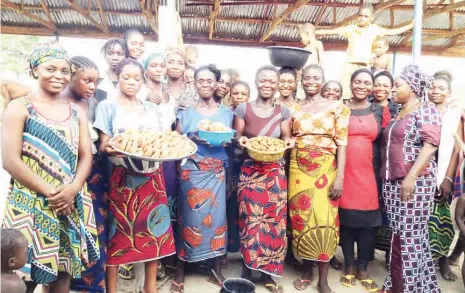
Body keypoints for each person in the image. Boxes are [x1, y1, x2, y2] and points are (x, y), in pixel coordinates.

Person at [1, 42, 99, 293]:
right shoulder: (20, 106)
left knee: (62, 271)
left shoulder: (76, 112)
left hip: (69, 200)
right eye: (50, 68)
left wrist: (74, 188)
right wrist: (54, 194)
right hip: (30, 201)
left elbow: (86, 156)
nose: (59, 75)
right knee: (24, 272)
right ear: (34, 70)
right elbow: (10, 160)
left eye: (65, 70)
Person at [94, 58, 175, 293]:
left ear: (143, 81)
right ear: (117, 78)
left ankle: (150, 288)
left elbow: (164, 140)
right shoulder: (107, 106)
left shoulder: (152, 108)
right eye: (126, 77)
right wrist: (113, 148)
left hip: (153, 178)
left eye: (137, 78)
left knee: (154, 232)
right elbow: (103, 144)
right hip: (123, 180)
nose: (132, 82)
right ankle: (112, 289)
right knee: (118, 236)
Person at [171, 65, 233, 293]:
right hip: (192, 171)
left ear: (217, 83)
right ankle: (181, 269)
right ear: (194, 84)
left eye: (210, 81)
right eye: (201, 81)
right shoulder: (185, 114)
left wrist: (223, 142)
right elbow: (177, 145)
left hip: (217, 172)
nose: (205, 85)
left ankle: (215, 267)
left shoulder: (227, 113)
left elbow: (230, 140)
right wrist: (193, 139)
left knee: (217, 220)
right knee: (189, 218)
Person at [380, 65, 441, 293]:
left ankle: (403, 287)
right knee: (404, 235)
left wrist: (411, 177)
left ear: (413, 88)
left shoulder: (426, 110)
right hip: (393, 182)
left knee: (408, 237)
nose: (392, 90)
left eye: (398, 85)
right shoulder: (399, 113)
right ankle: (416, 286)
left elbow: (431, 145)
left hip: (414, 184)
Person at [289, 64, 350, 293]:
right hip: (297, 167)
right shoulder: (294, 107)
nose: (311, 81)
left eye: (316, 77)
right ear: (301, 80)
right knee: (301, 218)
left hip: (326, 167)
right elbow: (290, 137)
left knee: (324, 219)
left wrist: (340, 178)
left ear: (323, 81)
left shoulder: (338, 107)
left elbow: (342, 144)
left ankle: (323, 279)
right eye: (307, 77)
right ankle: (307, 270)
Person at [234, 66, 294, 293]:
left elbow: (286, 135)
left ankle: (269, 272)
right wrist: (240, 141)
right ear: (256, 82)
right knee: (249, 220)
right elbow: (238, 135)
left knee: (274, 223)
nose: (267, 84)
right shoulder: (243, 108)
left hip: (274, 173)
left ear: (278, 84)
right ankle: (247, 268)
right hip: (250, 172)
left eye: (272, 81)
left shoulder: (283, 111)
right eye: (263, 80)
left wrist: (288, 142)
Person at [57, 56, 109, 293]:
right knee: (64, 231)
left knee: (94, 230)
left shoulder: (95, 102)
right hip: (62, 174)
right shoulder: (55, 101)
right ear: (71, 75)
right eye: (87, 80)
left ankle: (90, 286)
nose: (92, 86)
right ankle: (61, 284)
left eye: (95, 82)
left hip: (93, 177)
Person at [339, 69, 388, 292]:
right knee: (347, 222)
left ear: (371, 87)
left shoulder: (380, 111)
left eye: (367, 83)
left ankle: (362, 267)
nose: (362, 86)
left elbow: (386, 144)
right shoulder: (339, 109)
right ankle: (349, 265)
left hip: (369, 173)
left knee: (368, 224)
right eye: (357, 81)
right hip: (343, 172)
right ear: (350, 84)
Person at [316, 4, 413, 101]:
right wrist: (314, 32)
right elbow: (333, 31)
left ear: (371, 17)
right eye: (360, 15)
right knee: (345, 94)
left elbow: (392, 32)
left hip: (364, 67)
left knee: (362, 95)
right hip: (349, 65)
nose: (362, 18)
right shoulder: (351, 29)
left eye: (366, 16)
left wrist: (411, 25)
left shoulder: (374, 29)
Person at [427, 71, 463, 282]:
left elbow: (456, 150)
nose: (436, 91)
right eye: (433, 87)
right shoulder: (420, 110)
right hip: (422, 174)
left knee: (443, 222)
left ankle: (442, 261)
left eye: (441, 88)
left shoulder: (454, 115)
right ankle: (422, 259)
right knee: (422, 221)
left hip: (443, 175)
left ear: (449, 93)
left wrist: (448, 179)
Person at [225, 81, 251, 256]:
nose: (239, 97)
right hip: (229, 163)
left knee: (241, 204)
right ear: (230, 95)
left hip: (244, 162)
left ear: (249, 96)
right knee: (228, 203)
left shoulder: (250, 112)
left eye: (243, 94)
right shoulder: (226, 114)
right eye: (236, 93)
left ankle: (241, 245)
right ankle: (229, 245)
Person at [163, 46, 198, 112]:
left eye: (180, 63)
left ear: (185, 67)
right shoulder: (157, 90)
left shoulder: (193, 92)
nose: (175, 67)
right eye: (170, 62)